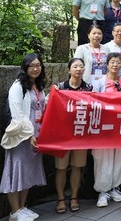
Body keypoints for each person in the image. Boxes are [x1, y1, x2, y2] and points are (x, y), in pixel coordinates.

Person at [0, 53, 47, 221]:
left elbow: (43, 106)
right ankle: (14, 211)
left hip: (37, 135)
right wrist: (29, 135)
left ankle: (22, 207)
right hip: (21, 136)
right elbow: (17, 113)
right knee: (16, 172)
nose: (35, 69)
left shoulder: (38, 86)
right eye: (31, 66)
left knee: (28, 172)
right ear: (25, 68)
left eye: (38, 65)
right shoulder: (18, 86)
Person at [91, 53, 121, 207]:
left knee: (120, 157)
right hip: (105, 126)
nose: (115, 65)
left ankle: (115, 187)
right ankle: (103, 190)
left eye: (118, 62)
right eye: (112, 62)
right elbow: (94, 102)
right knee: (103, 158)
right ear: (107, 64)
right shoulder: (99, 82)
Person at [53, 58, 93, 214]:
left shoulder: (88, 88)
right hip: (62, 135)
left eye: (81, 66)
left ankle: (74, 197)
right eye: (75, 66)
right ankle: (61, 198)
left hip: (80, 134)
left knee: (77, 167)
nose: (78, 69)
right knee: (61, 168)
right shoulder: (60, 88)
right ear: (69, 70)